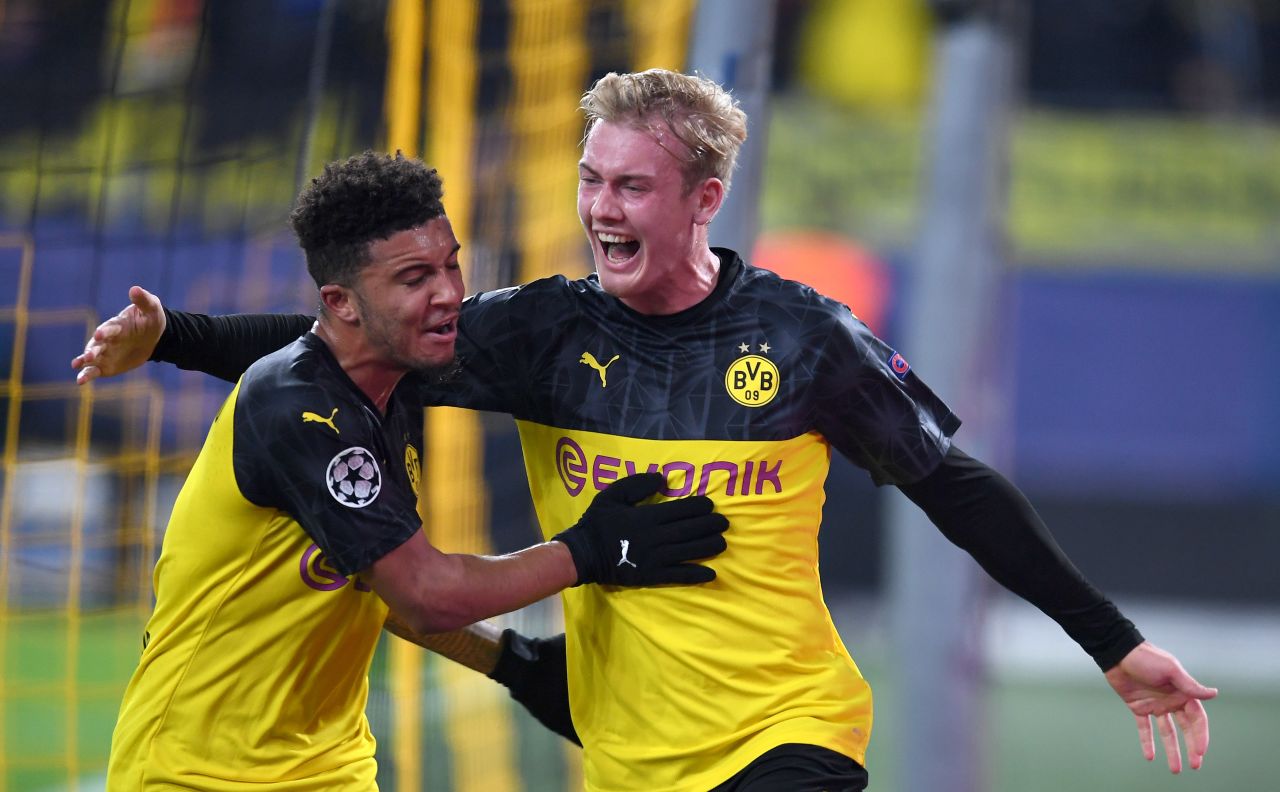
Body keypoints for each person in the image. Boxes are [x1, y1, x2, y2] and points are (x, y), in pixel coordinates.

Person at [76, 70, 1216, 791]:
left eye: (629, 186)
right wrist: (177, 332)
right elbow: (357, 335)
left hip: (789, 732)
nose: (598, 208)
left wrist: (1110, 643)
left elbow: (955, 488)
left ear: (702, 200)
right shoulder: (537, 335)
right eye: (590, 180)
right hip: (621, 752)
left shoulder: (805, 338)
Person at [90, 151, 729, 790]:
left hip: (331, 767)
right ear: (342, 302)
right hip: (195, 774)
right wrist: (591, 549)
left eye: (451, 262)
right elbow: (423, 595)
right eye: (415, 277)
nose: (450, 292)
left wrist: (513, 662)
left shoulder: (392, 378)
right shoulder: (300, 411)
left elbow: (376, 583)